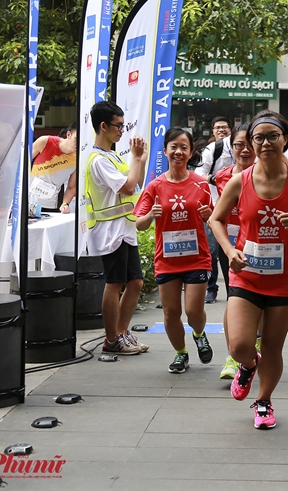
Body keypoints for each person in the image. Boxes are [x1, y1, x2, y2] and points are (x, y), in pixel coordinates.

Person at [210, 110, 288, 429]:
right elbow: (216, 219)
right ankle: (247, 365)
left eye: (273, 136)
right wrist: (229, 251)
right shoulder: (239, 181)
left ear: (286, 139)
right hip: (247, 272)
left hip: (286, 278)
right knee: (239, 344)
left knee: (272, 346)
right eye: (259, 137)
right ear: (251, 143)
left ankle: (264, 401)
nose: (266, 142)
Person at [134, 128, 214, 373]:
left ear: (190, 153)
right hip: (167, 259)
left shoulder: (201, 184)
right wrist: (150, 215)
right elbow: (139, 223)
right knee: (171, 312)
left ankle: (199, 334)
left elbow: (213, 218)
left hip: (197, 257)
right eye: (174, 147)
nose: (179, 151)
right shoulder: (155, 186)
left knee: (193, 310)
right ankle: (181, 354)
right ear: (166, 150)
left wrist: (209, 215)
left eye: (184, 147)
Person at [85, 101, 148, 355]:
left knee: (135, 282)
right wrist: (135, 158)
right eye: (118, 126)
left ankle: (121, 333)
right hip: (110, 231)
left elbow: (137, 181)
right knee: (115, 283)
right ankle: (111, 339)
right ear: (103, 126)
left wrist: (140, 159)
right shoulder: (98, 159)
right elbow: (128, 187)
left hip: (124, 229)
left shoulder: (112, 156)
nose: (122, 131)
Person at [212, 123, 257, 379]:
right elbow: (218, 213)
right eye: (239, 144)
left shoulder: (266, 176)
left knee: (258, 300)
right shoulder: (222, 177)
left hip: (259, 246)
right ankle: (233, 357)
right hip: (230, 247)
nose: (244, 149)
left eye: (249, 144)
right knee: (234, 297)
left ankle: (254, 344)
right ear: (232, 148)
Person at [196, 116, 233, 304]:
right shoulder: (213, 149)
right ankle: (212, 288)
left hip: (238, 210)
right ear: (212, 131)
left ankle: (234, 290)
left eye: (225, 127)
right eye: (217, 127)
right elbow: (199, 174)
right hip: (214, 208)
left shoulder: (241, 146)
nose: (221, 130)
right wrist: (217, 179)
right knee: (211, 251)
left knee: (233, 250)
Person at [30, 122, 77, 213]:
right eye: (76, 139)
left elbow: (71, 187)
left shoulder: (79, 158)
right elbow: (21, 163)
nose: (78, 143)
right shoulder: (45, 141)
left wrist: (65, 204)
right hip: (28, 200)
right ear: (68, 134)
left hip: (50, 206)